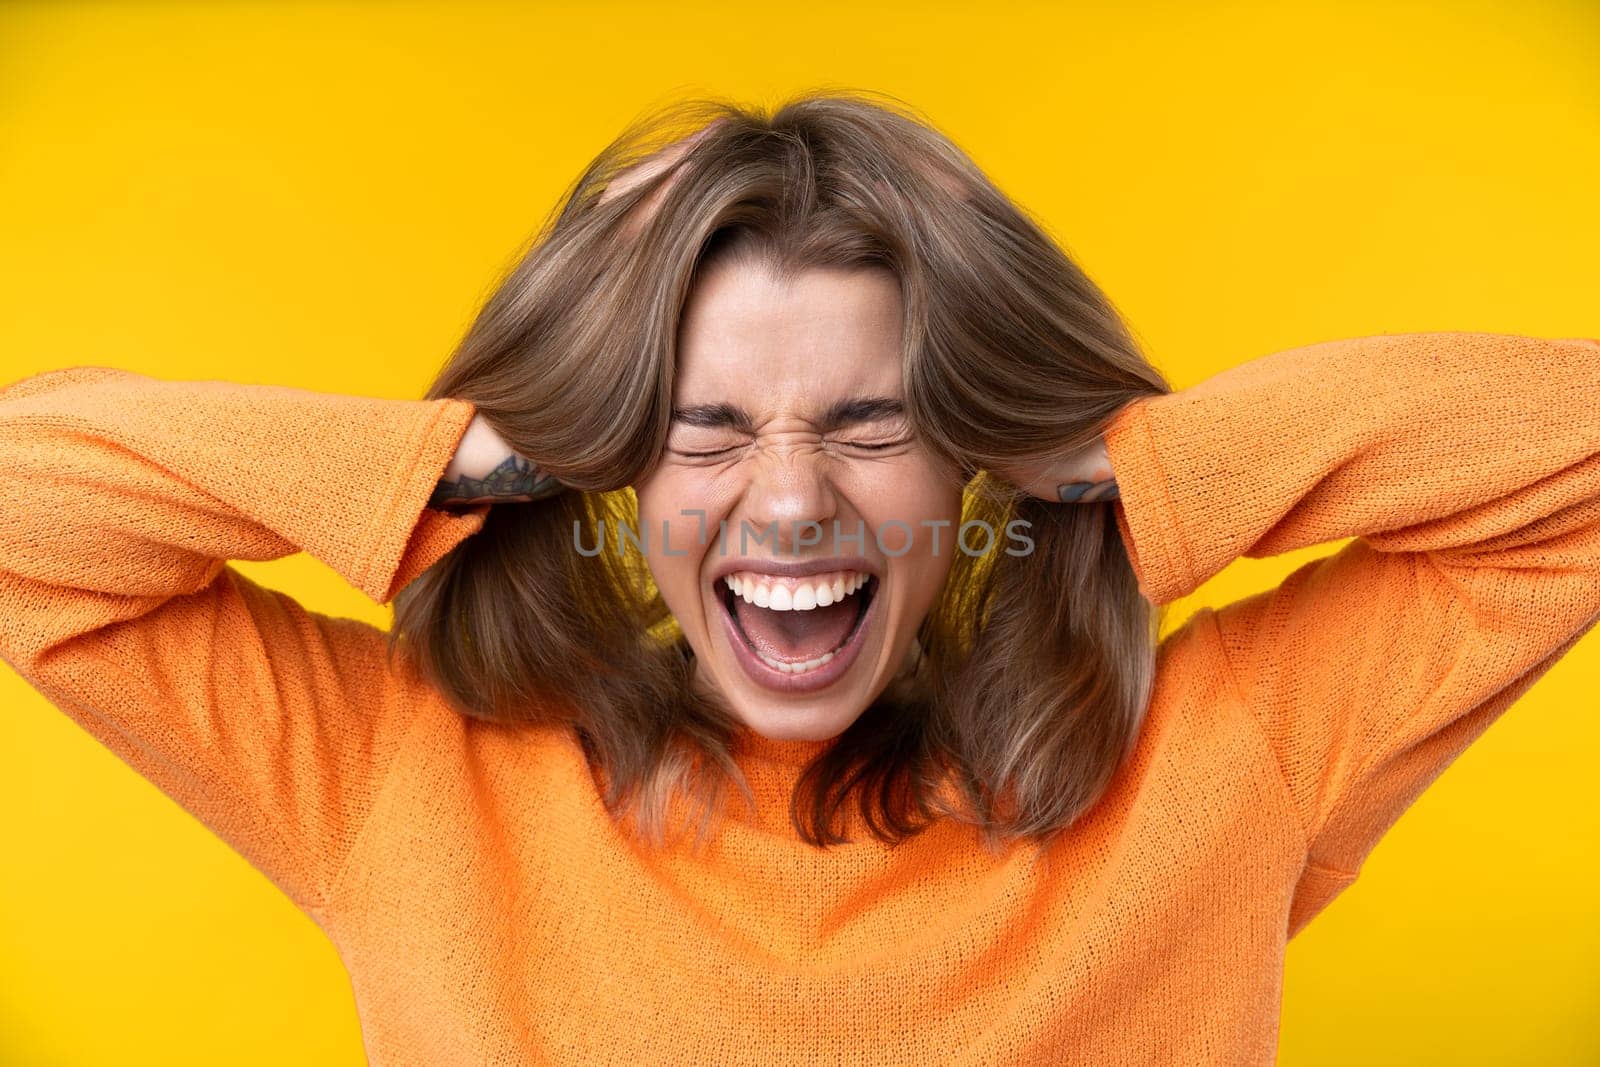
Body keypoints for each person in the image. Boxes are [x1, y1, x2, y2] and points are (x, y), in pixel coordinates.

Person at [1, 89, 1595, 1065]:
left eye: (871, 424)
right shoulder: (400, 775)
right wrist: (482, 453)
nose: (785, 503)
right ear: (608, 465)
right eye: (699, 431)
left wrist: (1128, 466)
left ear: (977, 461)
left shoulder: (1219, 760)